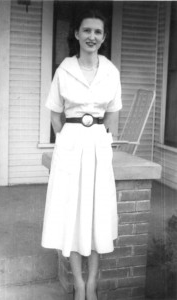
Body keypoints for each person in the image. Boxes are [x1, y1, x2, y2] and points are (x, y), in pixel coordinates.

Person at [41, 8, 122, 300]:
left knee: (97, 213)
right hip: (71, 144)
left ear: (104, 37)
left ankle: (92, 284)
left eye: (98, 32)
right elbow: (54, 115)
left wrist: (104, 144)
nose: (92, 36)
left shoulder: (111, 72)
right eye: (86, 30)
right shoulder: (64, 70)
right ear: (76, 34)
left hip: (98, 146)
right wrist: (67, 138)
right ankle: (78, 283)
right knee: (73, 214)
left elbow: (112, 115)